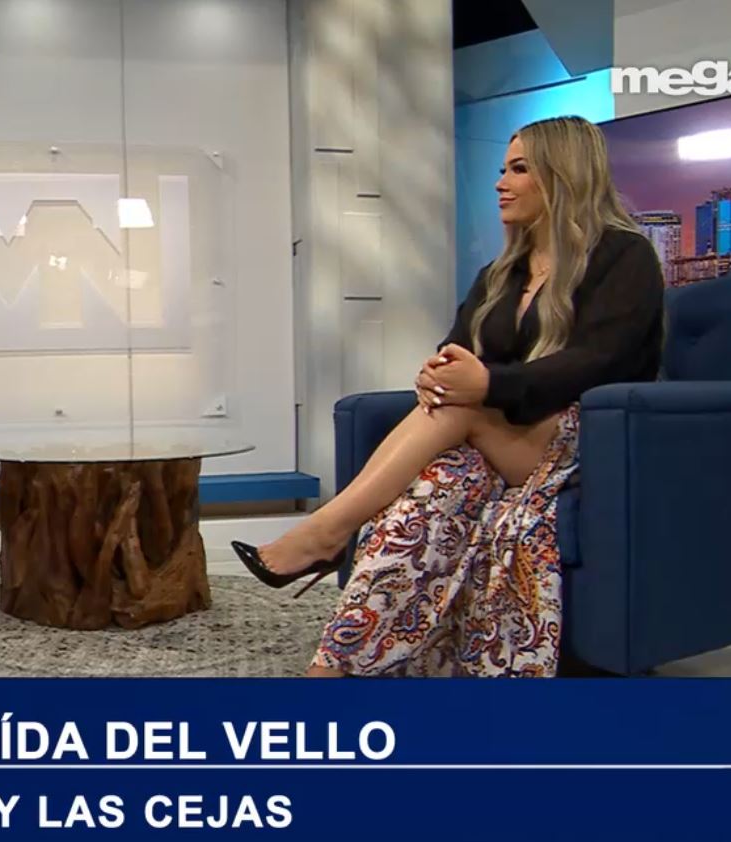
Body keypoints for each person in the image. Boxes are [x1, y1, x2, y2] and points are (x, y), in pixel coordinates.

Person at [233, 115, 664, 677]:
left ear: (563, 175)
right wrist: (437, 373)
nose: (500, 183)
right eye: (502, 170)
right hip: (501, 433)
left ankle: (328, 529)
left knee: (461, 407)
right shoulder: (501, 273)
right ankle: (333, 670)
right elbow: (457, 347)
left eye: (518, 169)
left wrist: (486, 385)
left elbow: (600, 360)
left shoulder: (624, 255)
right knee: (431, 492)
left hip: (582, 440)